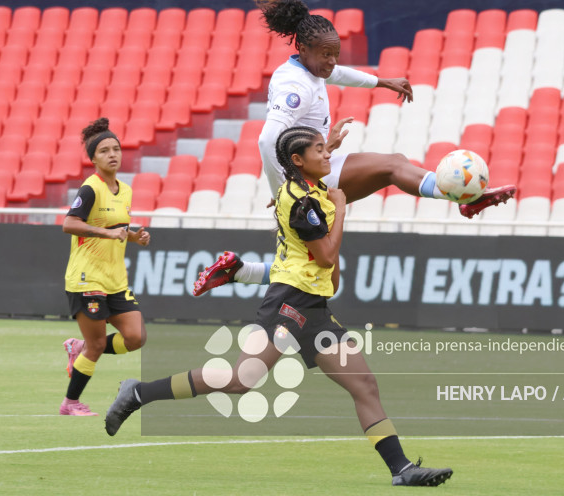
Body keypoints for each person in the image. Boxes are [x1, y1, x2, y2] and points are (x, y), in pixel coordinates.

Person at [105, 127, 453, 486]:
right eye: (319, 150)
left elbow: (324, 245)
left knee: (364, 384)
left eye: (326, 149)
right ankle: (139, 392)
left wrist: (329, 153)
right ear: (298, 160)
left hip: (313, 306)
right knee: (240, 380)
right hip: (289, 302)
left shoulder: (310, 190)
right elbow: (326, 255)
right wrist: (342, 209)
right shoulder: (303, 203)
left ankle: (402, 469)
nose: (328, 155)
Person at [193, 0, 515, 295]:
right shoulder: (296, 87)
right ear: (303, 48)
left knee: (391, 167)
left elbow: (336, 73)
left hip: (315, 168)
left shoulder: (307, 68)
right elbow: (267, 139)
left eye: (335, 53)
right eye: (326, 54)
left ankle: (237, 270)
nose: (332, 61)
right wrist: (285, 192)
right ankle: (239, 272)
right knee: (323, 276)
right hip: (307, 181)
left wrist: (382, 82)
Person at [59, 117, 152, 416]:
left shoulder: (125, 190)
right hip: (87, 278)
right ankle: (70, 403)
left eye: (116, 149)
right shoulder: (90, 189)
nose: (112, 154)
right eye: (104, 151)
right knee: (97, 345)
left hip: (115, 280)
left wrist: (135, 237)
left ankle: (79, 347)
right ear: (94, 159)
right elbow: (69, 224)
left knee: (136, 337)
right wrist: (106, 233)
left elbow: (116, 228)